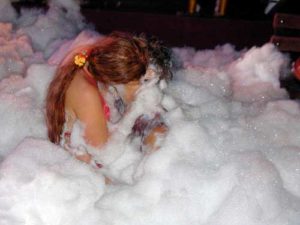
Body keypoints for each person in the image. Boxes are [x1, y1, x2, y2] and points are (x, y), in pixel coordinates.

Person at [46, 31, 172, 167]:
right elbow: (102, 157)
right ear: (122, 80)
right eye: (145, 83)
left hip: (90, 154)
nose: (148, 88)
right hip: (79, 167)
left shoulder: (94, 62)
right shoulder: (86, 94)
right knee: (159, 137)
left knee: (160, 132)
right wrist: (132, 115)